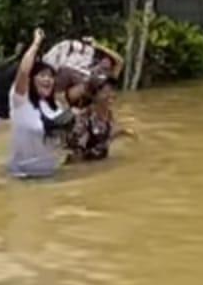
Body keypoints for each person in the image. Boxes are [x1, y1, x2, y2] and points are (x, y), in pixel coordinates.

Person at [8, 29, 68, 179]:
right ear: (31, 81)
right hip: (21, 175)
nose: (48, 80)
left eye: (50, 76)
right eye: (42, 75)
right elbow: (23, 72)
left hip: (51, 174)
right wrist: (36, 43)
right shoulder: (21, 101)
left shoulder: (56, 108)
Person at [66, 76, 131, 162]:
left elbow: (102, 140)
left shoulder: (109, 113)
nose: (111, 94)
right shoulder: (84, 118)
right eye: (105, 92)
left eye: (112, 90)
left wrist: (120, 133)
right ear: (93, 95)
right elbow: (76, 155)